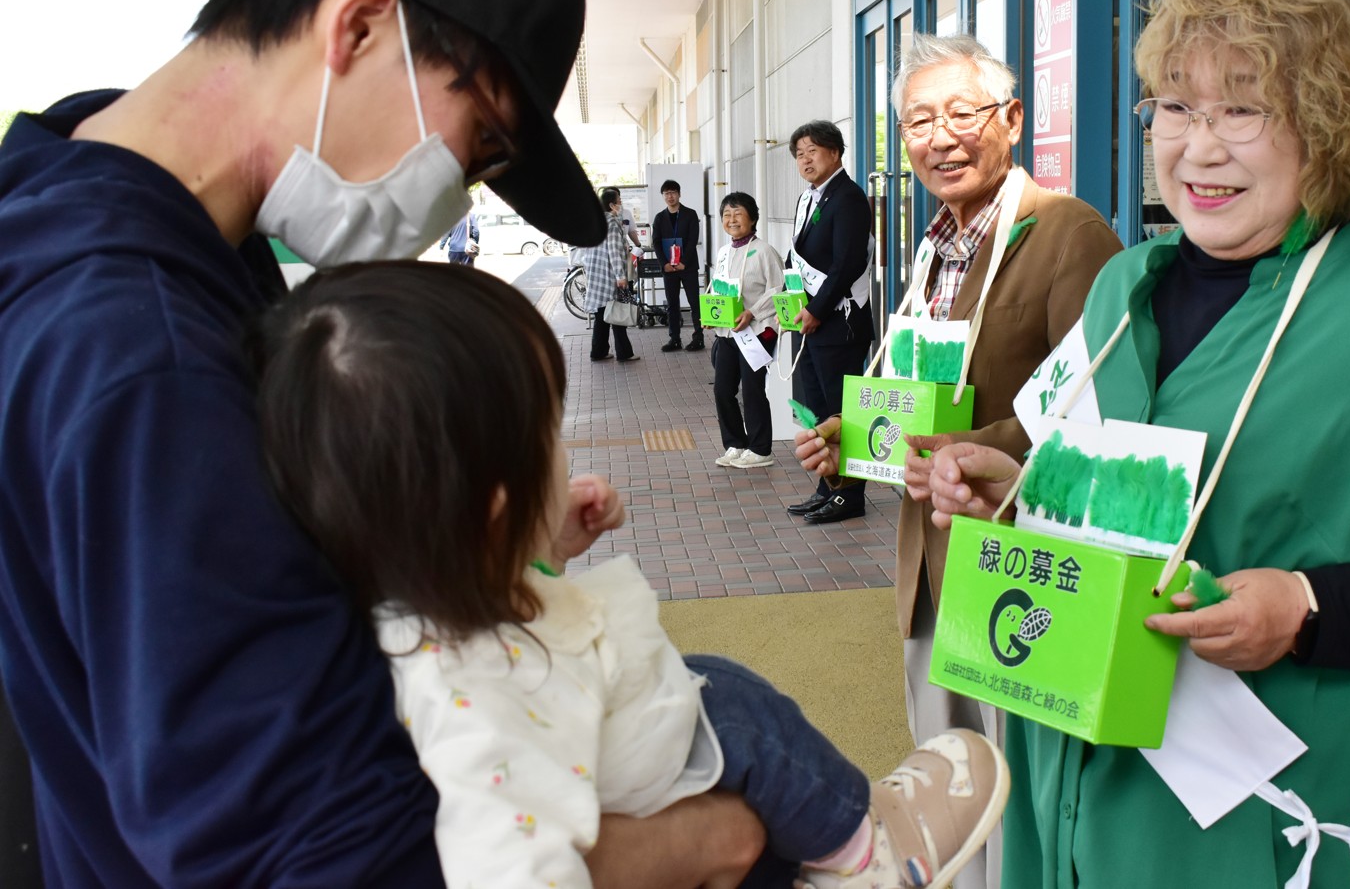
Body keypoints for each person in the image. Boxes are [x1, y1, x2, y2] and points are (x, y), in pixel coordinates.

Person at [0, 0, 766, 884]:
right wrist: (711, 836)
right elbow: (326, 856)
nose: (461, 191)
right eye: (480, 141)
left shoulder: (95, 211)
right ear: (359, 24)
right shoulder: (146, 357)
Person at [923, 0, 1350, 888]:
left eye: (1243, 109)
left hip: (1256, 832)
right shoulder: (1123, 292)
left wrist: (1309, 610)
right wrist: (1020, 489)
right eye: (1176, 107)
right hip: (1068, 780)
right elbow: (1106, 492)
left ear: (1332, 122)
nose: (1197, 147)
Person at [251, 259, 1010, 889]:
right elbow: (508, 854)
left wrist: (545, 548)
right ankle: (865, 851)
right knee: (739, 715)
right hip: (639, 767)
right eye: (548, 437)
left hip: (602, 737)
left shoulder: (405, 604)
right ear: (497, 506)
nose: (564, 453)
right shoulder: (461, 700)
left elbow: (497, 591)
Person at [795, 34, 1120, 889]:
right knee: (950, 787)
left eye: (961, 114)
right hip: (930, 568)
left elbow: (1099, 405)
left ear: (1011, 119)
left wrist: (984, 452)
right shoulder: (933, 245)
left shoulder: (1070, 234)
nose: (940, 138)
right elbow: (917, 389)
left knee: (1025, 796)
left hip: (1021, 570)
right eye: (918, 122)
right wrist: (852, 434)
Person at [784, 120, 877, 525]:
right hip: (811, 323)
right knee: (819, 410)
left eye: (812, 151)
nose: (805, 160)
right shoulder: (810, 197)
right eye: (799, 154)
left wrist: (817, 310)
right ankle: (828, 486)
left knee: (842, 414)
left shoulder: (849, 197)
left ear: (835, 153)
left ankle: (850, 495)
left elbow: (847, 264)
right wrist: (791, 303)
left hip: (840, 324)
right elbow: (800, 256)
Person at [708, 192, 785, 469]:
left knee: (752, 391)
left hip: (756, 332)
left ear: (752, 218)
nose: (732, 220)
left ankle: (760, 449)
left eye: (738, 214)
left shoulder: (764, 251)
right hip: (727, 333)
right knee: (722, 390)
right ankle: (735, 444)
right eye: (726, 215)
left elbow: (778, 289)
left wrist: (752, 312)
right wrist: (711, 313)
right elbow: (718, 287)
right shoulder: (724, 252)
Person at [585, 186, 640, 363]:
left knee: (601, 314)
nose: (621, 204)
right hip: (609, 276)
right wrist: (620, 276)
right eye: (619, 201)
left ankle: (598, 351)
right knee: (617, 313)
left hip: (596, 275)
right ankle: (624, 353)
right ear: (611, 205)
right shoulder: (612, 224)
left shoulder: (595, 223)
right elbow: (614, 252)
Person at [651, 179, 706, 352]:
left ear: (679, 194)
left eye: (673, 192)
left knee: (694, 302)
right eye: (666, 193)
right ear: (663, 196)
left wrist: (684, 262)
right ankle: (674, 339)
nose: (670, 196)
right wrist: (664, 264)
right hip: (669, 268)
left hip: (688, 267)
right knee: (672, 304)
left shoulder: (690, 214)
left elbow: (692, 240)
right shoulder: (660, 218)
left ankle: (698, 338)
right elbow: (656, 242)